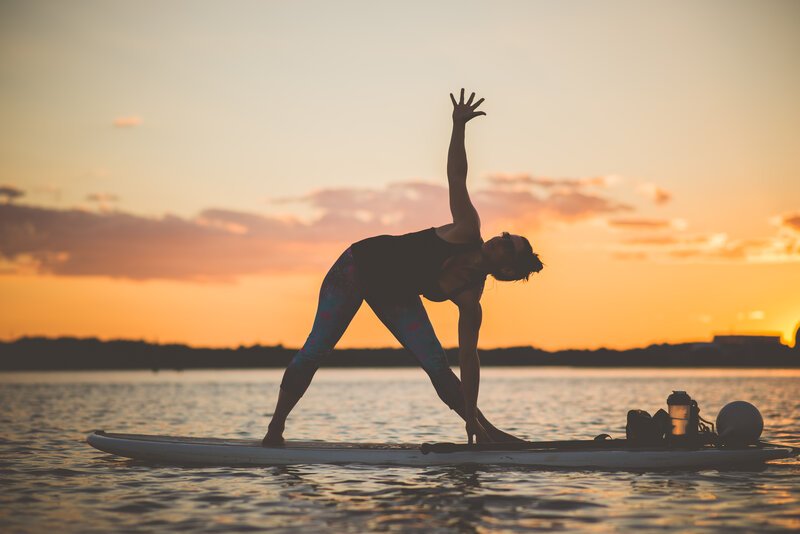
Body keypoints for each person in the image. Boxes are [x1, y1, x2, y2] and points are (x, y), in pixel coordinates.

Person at [263, 89, 543, 446]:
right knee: (316, 350)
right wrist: (458, 126)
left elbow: (469, 362)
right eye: (505, 236)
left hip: (394, 293)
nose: (500, 240)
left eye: (508, 247)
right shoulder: (466, 230)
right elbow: (457, 176)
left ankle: (485, 432)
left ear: (505, 270)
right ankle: (275, 430)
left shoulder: (471, 299)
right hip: (356, 268)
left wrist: (470, 418)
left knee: (439, 368)